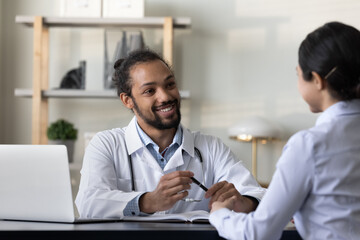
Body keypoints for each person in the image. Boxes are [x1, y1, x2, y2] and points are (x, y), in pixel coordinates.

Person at [209, 21, 360, 239]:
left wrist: (219, 214)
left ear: (317, 80)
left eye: (298, 74)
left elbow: (258, 232)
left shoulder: (309, 145)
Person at [75, 49, 266, 218]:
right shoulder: (106, 144)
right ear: (128, 100)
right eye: (150, 91)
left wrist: (243, 202)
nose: (165, 96)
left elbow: (260, 194)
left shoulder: (210, 147)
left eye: (170, 85)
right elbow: (89, 202)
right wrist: (149, 201)